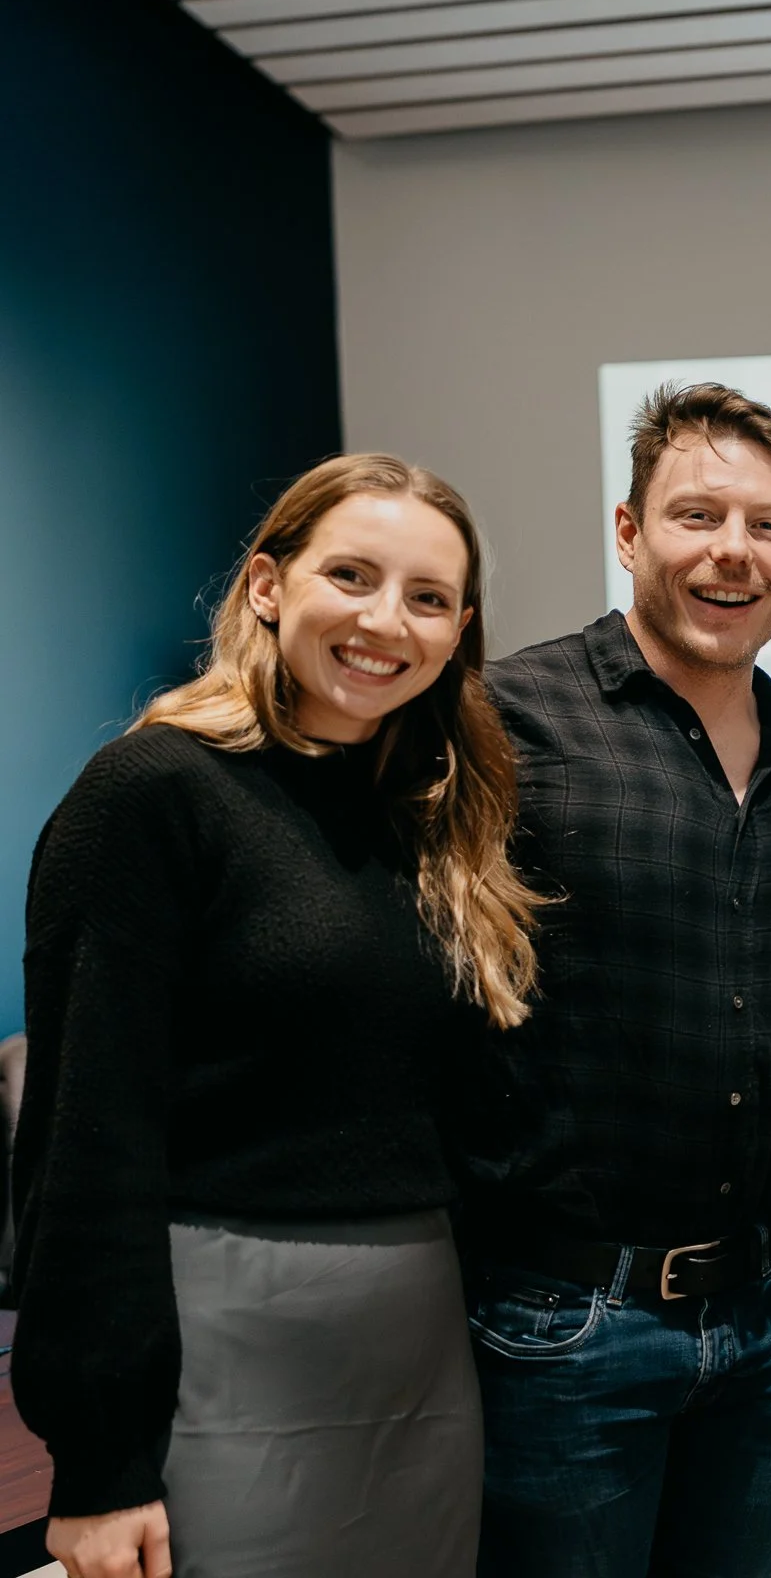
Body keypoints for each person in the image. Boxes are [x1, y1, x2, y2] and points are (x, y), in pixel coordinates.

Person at [13, 453, 539, 1578]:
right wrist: (100, 1464)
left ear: (459, 631)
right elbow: (81, 1143)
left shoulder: (435, 814)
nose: (384, 621)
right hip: (222, 1338)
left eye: (428, 597)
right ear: (267, 585)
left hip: (417, 1342)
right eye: (351, 575)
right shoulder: (150, 795)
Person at [456, 382, 771, 1578]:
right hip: (570, 1323)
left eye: (765, 525)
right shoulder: (504, 723)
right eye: (696, 515)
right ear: (630, 533)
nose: (733, 551)